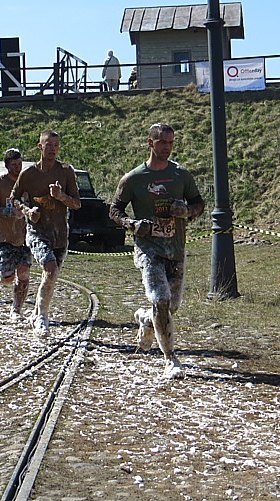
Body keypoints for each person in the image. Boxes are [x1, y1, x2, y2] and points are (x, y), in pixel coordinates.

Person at [109, 123, 205, 379]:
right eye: (162, 142)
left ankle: (144, 318)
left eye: (171, 143)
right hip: (148, 249)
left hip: (176, 248)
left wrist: (188, 211)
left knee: (170, 307)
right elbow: (115, 209)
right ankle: (170, 359)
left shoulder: (181, 175)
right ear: (150, 143)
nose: (167, 148)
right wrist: (131, 224)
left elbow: (199, 203)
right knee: (160, 300)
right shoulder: (134, 179)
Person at [10, 130, 81, 335]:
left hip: (59, 235)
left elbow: (76, 203)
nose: (53, 149)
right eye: (48, 145)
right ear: (40, 147)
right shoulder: (29, 174)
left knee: (50, 276)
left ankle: (36, 312)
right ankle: (42, 318)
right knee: (50, 269)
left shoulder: (66, 172)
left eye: (56, 146)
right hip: (36, 231)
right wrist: (26, 210)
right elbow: (14, 198)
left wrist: (61, 197)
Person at [0, 148, 31, 320]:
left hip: (24, 237)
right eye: (14, 165)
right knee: (7, 277)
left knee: (23, 274)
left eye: (20, 164)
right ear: (7, 166)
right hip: (2, 237)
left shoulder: (26, 183)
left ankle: (16, 310)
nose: (18, 168)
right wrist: (9, 213)